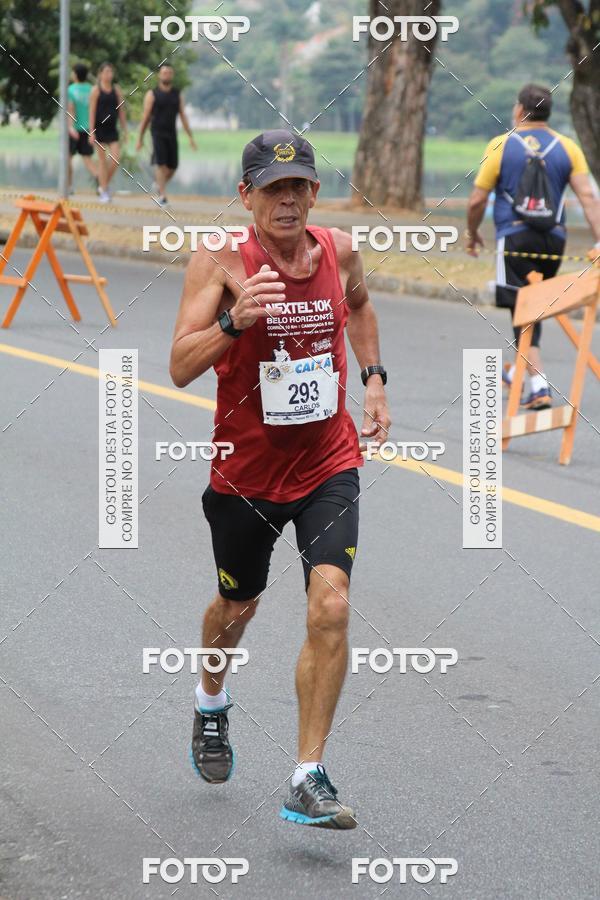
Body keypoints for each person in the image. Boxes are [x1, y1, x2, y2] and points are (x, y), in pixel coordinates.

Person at [170, 130, 390, 829]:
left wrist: (373, 379)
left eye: (298, 186)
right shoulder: (220, 259)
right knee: (238, 606)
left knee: (331, 605)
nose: (287, 199)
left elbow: (360, 305)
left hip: (328, 461)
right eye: (273, 188)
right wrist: (234, 322)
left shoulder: (339, 250)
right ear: (247, 195)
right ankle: (211, 700)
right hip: (247, 474)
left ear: (314, 193)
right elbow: (180, 365)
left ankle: (307, 775)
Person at [465, 82, 600, 409]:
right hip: (553, 239)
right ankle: (517, 372)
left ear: (519, 110)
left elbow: (478, 200)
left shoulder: (501, 145)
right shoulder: (567, 146)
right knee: (534, 305)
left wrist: (472, 232)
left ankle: (538, 384)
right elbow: (588, 197)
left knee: (522, 308)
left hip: (515, 237)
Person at [135, 64, 197, 206]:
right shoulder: (152, 94)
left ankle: (159, 185)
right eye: (164, 72)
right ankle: (163, 196)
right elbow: (145, 118)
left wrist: (190, 137)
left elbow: (183, 116)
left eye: (169, 72)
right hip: (157, 133)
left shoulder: (177, 94)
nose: (166, 75)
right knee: (161, 164)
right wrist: (140, 138)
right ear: (159, 75)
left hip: (171, 133)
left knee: (173, 166)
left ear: (172, 75)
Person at [89, 63, 128, 203]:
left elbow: (121, 111)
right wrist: (91, 131)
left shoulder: (116, 90)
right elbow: (92, 111)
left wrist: (125, 129)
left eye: (110, 72)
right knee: (102, 161)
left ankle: (102, 185)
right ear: (100, 74)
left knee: (116, 159)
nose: (108, 75)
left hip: (112, 129)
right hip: (99, 129)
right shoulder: (96, 90)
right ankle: (104, 191)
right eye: (106, 72)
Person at [66, 63, 97, 191]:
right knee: (88, 159)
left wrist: (70, 127)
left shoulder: (70, 90)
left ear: (75, 74)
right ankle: (101, 186)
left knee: (68, 158)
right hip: (89, 129)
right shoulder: (92, 89)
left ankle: (68, 187)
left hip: (74, 129)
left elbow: (71, 109)